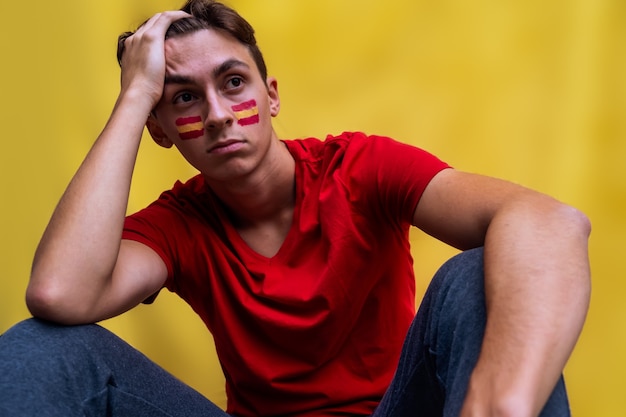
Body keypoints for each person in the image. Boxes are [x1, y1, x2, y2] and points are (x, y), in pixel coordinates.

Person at [0, 1, 591, 416]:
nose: (218, 114)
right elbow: (60, 294)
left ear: (271, 94)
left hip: (399, 410)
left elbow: (550, 222)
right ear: (160, 130)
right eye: (183, 97)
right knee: (46, 346)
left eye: (233, 82)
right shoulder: (178, 225)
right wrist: (133, 98)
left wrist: (502, 406)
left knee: (478, 273)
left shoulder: (359, 168)